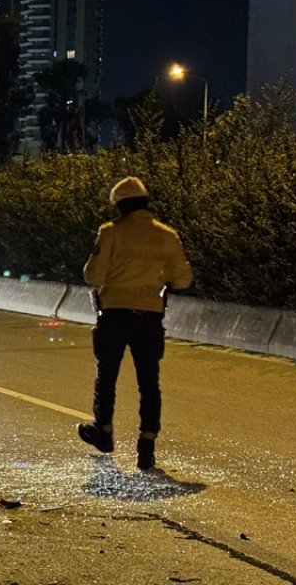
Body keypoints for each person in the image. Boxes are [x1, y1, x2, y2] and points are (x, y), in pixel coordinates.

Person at [77, 177, 193, 470]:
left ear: (120, 206)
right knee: (149, 382)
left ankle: (103, 432)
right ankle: (147, 445)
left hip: (114, 315)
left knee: (107, 376)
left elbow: (93, 277)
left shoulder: (110, 232)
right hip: (150, 317)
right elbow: (182, 278)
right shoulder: (167, 235)